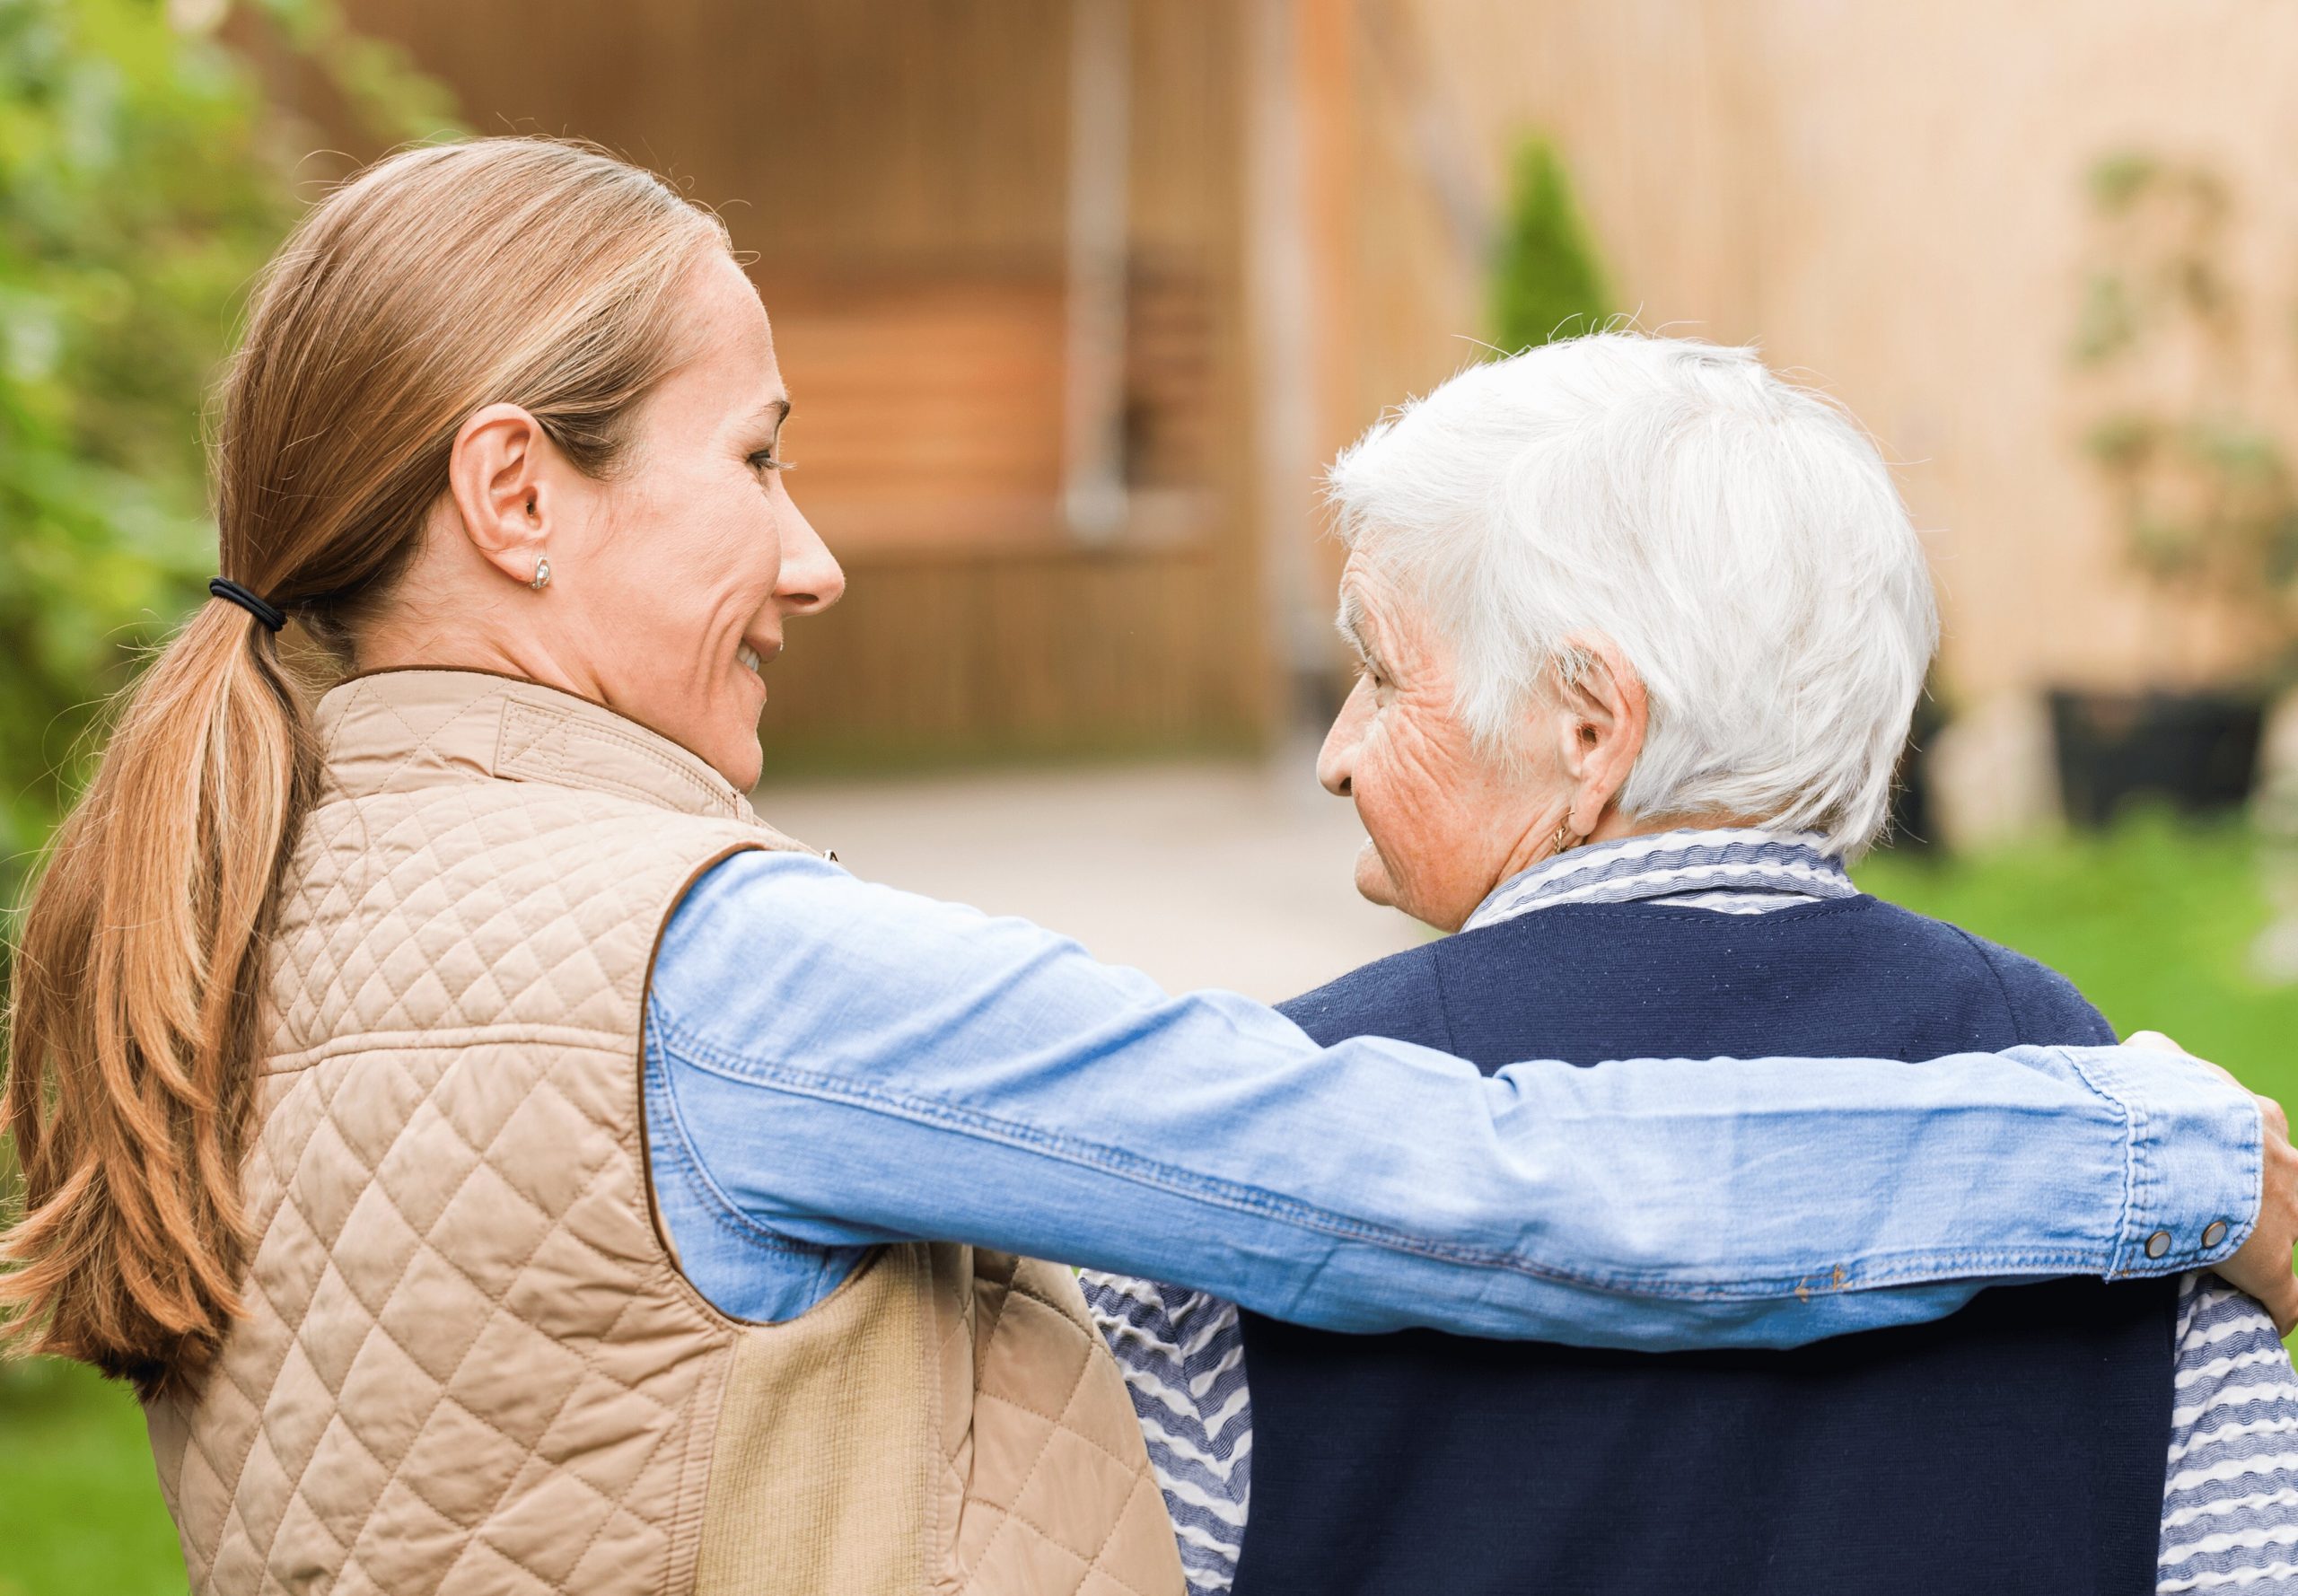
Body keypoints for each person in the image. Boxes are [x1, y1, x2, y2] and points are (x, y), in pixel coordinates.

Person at [0, 140, 2287, 1596]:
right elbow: (1457, 1185)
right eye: (755, 457)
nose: (807, 556)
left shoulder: (246, 916)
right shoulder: (709, 979)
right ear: (516, 496)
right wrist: (2165, 1150)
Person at [1081, 335, 2298, 1596]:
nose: (1337, 755)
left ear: (1591, 725)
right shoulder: (2133, 1136)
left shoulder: (1260, 1140)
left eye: (1385, 676)